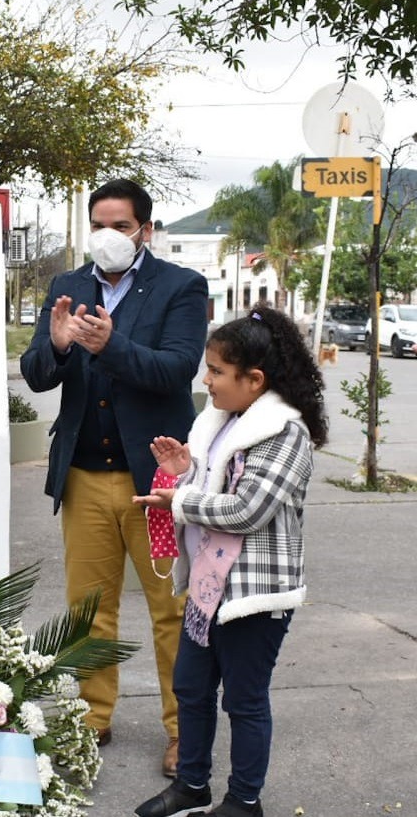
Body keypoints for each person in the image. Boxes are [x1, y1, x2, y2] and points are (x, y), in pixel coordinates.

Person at [20, 178, 208, 777]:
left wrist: (109, 345)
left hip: (158, 485)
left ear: (146, 231)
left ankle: (184, 732)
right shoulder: (67, 286)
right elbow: (35, 373)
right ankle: (91, 719)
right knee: (89, 607)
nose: (109, 237)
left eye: (121, 226)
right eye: (99, 225)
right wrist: (56, 347)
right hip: (84, 476)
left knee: (172, 610)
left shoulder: (181, 286)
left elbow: (177, 368)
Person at [132, 307, 326, 817]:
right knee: (191, 689)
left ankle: (243, 801)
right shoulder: (222, 422)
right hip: (208, 584)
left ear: (254, 378)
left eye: (217, 370)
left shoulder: (285, 433)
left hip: (252, 596)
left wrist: (177, 500)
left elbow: (247, 508)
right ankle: (191, 787)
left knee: (243, 701)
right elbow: (216, 484)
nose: (207, 379)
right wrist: (185, 469)